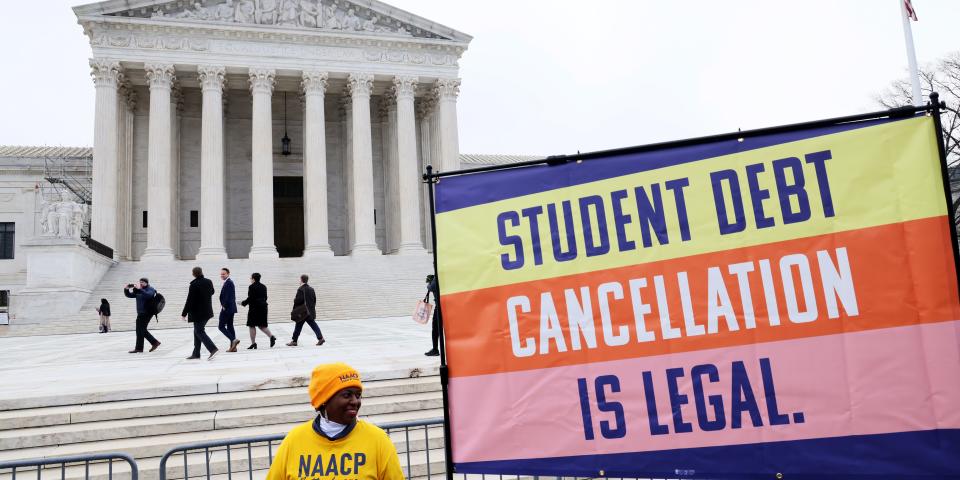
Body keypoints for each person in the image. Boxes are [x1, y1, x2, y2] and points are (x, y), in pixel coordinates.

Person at [265, 363, 405, 480]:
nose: (355, 401)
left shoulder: (378, 440)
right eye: (347, 395)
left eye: (358, 395)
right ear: (324, 400)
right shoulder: (294, 440)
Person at [182, 266, 219, 360]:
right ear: (201, 272)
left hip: (197, 313)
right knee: (197, 331)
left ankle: (213, 349)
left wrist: (184, 313)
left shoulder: (194, 284)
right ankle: (196, 353)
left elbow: (189, 300)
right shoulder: (208, 281)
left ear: (193, 274)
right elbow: (212, 292)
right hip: (207, 311)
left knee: (199, 331)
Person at [123, 278, 161, 353]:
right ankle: (153, 343)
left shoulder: (150, 289)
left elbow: (148, 295)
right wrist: (126, 289)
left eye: (143, 282)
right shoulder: (139, 291)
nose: (141, 284)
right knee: (140, 330)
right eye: (140, 282)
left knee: (140, 330)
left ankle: (141, 347)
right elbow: (129, 295)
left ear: (146, 283)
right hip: (140, 313)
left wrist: (140, 289)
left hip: (147, 312)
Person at [287, 274, 325, 347]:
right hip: (309, 311)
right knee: (313, 325)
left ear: (301, 279)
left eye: (300, 279)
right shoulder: (311, 289)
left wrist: (295, 301)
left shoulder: (300, 289)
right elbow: (314, 300)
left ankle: (294, 341)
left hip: (303, 312)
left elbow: (298, 300)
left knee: (298, 326)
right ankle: (320, 338)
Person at [241, 272, 276, 349]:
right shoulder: (264, 286)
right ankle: (271, 337)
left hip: (254, 308)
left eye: (251, 278)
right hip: (263, 307)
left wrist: (243, 303)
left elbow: (250, 298)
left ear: (253, 279)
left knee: (251, 325)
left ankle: (253, 343)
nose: (250, 280)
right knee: (261, 325)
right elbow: (265, 297)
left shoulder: (251, 287)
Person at [219, 267, 241, 352]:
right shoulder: (228, 282)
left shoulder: (229, 283)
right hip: (230, 308)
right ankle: (233, 347)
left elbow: (228, 296)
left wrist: (224, 305)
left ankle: (233, 339)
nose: (222, 275)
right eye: (221, 274)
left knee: (221, 326)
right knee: (230, 326)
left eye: (223, 274)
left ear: (228, 274)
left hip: (227, 308)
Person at [424, 274, 440, 356]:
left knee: (435, 329)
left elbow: (431, 287)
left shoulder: (438, 276)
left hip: (440, 307)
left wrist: (430, 282)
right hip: (446, 305)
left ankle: (435, 349)